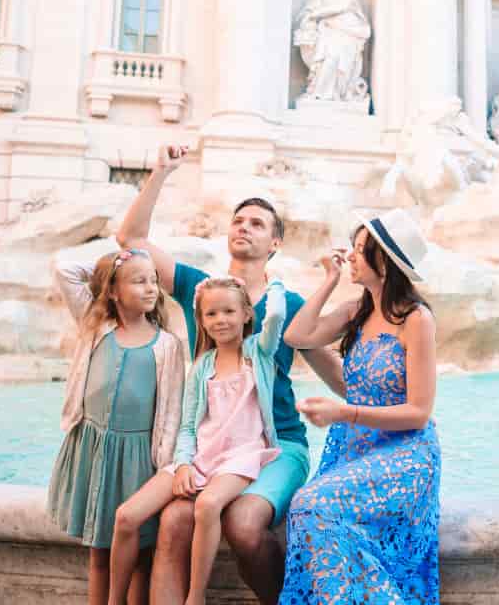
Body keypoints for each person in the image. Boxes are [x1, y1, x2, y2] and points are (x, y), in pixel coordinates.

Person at [116, 144, 345, 604]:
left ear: (274, 244)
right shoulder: (201, 289)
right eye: (239, 221)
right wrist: (161, 170)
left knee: (243, 525)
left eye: (257, 224)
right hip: (211, 445)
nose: (245, 227)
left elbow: (339, 379)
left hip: (279, 444)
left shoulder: (289, 306)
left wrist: (402, 411)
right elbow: (132, 240)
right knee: (175, 522)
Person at [279, 209, 442, 604]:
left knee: (309, 504)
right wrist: (329, 281)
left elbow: (419, 411)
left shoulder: (415, 319)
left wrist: (343, 412)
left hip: (406, 452)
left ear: (384, 260)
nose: (350, 256)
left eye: (359, 250)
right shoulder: (356, 311)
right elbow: (297, 335)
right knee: (310, 514)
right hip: (355, 448)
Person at [108, 277, 289, 605]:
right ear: (201, 321)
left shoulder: (258, 354)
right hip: (201, 455)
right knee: (126, 516)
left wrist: (273, 285)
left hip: (241, 456)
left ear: (247, 314)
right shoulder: (202, 366)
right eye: (211, 314)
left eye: (229, 311)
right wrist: (183, 465)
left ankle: (195, 596)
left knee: (206, 505)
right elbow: (189, 427)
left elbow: (276, 315)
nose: (221, 320)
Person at [46, 249, 186, 605]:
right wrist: (120, 260)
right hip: (93, 451)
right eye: (139, 281)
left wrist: (163, 466)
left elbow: (170, 412)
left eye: (153, 280)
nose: (151, 288)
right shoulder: (95, 328)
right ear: (112, 290)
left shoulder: (167, 345)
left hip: (137, 460)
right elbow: (65, 269)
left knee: (140, 555)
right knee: (98, 551)